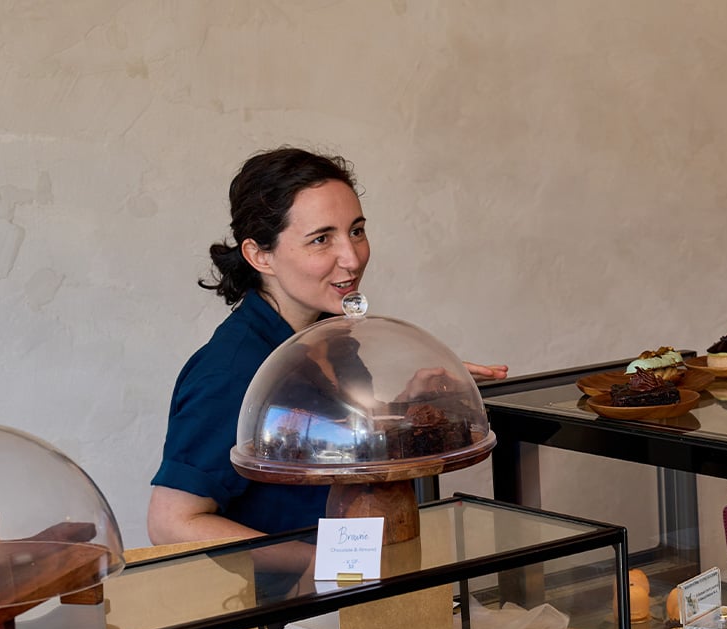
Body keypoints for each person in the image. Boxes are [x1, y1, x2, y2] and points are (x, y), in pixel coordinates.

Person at [147, 147, 507, 546]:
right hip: (290, 602)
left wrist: (410, 405)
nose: (351, 259)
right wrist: (322, 569)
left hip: (349, 587)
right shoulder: (232, 370)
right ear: (259, 255)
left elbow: (335, 447)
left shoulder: (331, 335)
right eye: (321, 239)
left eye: (356, 230)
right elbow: (172, 523)